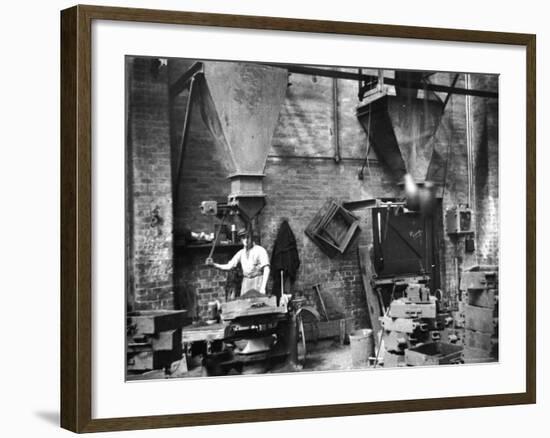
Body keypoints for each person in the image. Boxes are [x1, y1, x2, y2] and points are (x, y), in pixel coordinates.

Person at [208, 228, 270, 296]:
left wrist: (263, 287)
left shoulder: (260, 250)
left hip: (258, 282)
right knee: (244, 304)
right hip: (246, 282)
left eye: (247, 237)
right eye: (243, 238)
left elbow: (267, 268)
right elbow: (229, 266)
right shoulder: (241, 253)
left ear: (252, 238)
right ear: (241, 240)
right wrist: (214, 265)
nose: (246, 240)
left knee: (259, 304)